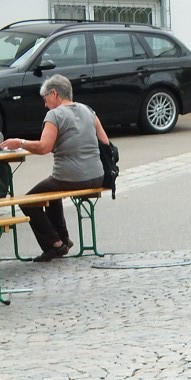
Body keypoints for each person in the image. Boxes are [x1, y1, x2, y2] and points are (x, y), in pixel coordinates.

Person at [0, 75, 109, 262]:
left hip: (70, 178)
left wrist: (21, 142)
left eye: (45, 98)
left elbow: (44, 147)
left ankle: (55, 244)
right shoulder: (89, 110)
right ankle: (63, 238)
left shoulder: (55, 115)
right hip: (97, 176)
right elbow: (105, 142)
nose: (45, 104)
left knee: (27, 202)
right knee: (51, 193)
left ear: (55, 93)